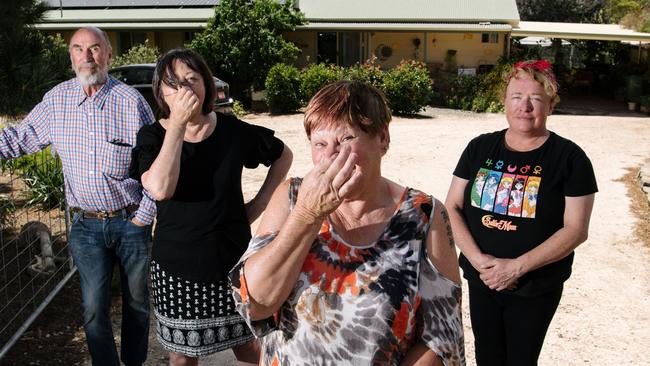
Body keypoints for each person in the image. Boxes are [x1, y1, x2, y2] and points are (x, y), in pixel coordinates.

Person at [228, 80, 465, 366]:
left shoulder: (424, 215)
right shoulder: (292, 197)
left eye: (345, 139)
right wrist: (307, 215)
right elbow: (255, 304)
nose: (331, 156)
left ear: (382, 138)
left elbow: (442, 337)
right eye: (320, 143)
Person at [0, 27, 155, 365]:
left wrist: (147, 211)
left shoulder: (132, 103)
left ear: (109, 55)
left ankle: (134, 361)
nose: (87, 56)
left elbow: (158, 164)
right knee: (93, 310)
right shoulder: (56, 101)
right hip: (85, 227)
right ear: (70, 55)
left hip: (131, 221)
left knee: (138, 304)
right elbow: (21, 138)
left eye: (95, 48)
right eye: (79, 48)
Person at [129, 48, 293, 366]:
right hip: (176, 268)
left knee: (248, 348)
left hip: (232, 263)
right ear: (159, 92)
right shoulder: (151, 136)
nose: (185, 89)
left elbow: (283, 155)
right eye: (173, 83)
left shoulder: (231, 130)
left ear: (206, 84)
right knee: (182, 357)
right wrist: (177, 125)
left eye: (192, 79)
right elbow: (160, 188)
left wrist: (258, 205)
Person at [445, 60, 597, 365]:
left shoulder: (570, 158)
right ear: (504, 102)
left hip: (534, 286)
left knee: (521, 360)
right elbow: (452, 206)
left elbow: (576, 229)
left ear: (551, 105)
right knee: (487, 356)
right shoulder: (480, 148)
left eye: (536, 99)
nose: (524, 107)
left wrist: (515, 268)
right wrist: (480, 262)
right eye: (516, 97)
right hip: (483, 279)